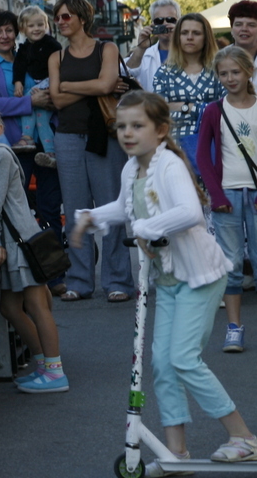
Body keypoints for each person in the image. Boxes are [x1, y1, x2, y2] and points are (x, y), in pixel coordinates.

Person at [75, 93, 257, 460]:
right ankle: (177, 451)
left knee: (184, 359)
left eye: (137, 126)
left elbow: (190, 212)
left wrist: (146, 227)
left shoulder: (169, 165)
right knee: (162, 365)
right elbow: (125, 207)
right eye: (121, 126)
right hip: (169, 280)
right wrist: (92, 216)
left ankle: (244, 438)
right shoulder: (132, 168)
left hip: (200, 277)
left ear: (160, 130)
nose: (127, 133)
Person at [0, 100, 67, 393]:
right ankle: (42, 364)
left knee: (35, 304)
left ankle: (55, 372)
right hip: (3, 237)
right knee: (9, 307)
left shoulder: (0, 155)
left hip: (20, 238)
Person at [49, 0, 134, 303]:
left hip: (105, 135)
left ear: (82, 19)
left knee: (111, 208)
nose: (60, 22)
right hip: (68, 136)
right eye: (57, 17)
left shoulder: (106, 49)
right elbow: (57, 101)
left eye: (66, 16)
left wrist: (68, 85)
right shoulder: (57, 57)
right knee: (75, 211)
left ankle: (118, 282)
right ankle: (79, 281)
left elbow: (106, 85)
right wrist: (92, 85)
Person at [0, 9, 63, 258]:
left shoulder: (33, 53)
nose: (4, 36)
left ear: (17, 31)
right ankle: (21, 266)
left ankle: (54, 269)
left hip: (46, 145)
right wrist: (30, 103)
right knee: (16, 209)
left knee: (50, 207)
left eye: (9, 30)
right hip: (13, 146)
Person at [195, 46, 257, 355]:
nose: (230, 78)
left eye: (235, 72)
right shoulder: (213, 110)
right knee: (231, 263)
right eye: (223, 73)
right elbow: (202, 157)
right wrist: (215, 195)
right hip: (227, 195)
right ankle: (234, 327)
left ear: (249, 72)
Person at [154, 13, 222, 150]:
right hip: (175, 146)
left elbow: (224, 111)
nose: (190, 37)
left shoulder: (220, 70)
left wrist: (184, 107)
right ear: (178, 37)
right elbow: (159, 114)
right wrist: (205, 109)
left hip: (213, 143)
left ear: (206, 38)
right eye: (184, 33)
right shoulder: (164, 73)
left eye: (196, 33)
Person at [11, 5, 61, 164]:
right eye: (31, 26)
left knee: (28, 99)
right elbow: (19, 67)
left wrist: (55, 85)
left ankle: (27, 137)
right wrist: (18, 82)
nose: (36, 29)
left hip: (51, 80)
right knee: (41, 121)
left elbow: (60, 62)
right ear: (23, 29)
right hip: (41, 83)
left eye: (40, 24)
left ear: (46, 25)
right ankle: (51, 153)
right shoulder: (24, 48)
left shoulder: (51, 44)